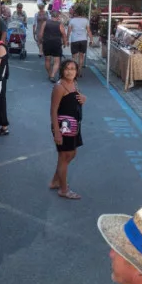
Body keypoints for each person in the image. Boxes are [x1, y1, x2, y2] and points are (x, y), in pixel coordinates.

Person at [50, 59, 85, 200]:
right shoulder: (59, 87)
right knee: (64, 156)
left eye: (73, 68)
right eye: (67, 68)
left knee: (71, 154)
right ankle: (63, 189)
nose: (70, 71)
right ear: (62, 70)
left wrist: (83, 98)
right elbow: (53, 110)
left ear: (77, 71)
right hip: (63, 127)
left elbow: (76, 99)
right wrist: (57, 131)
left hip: (74, 126)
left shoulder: (74, 84)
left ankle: (55, 181)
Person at [66, 5, 91, 77]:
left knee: (74, 57)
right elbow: (88, 31)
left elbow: (69, 31)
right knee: (81, 56)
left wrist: (67, 40)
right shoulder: (86, 20)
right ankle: (79, 70)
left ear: (76, 13)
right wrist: (91, 39)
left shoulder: (72, 20)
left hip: (74, 40)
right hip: (83, 40)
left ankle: (74, 71)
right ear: (82, 13)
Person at [41, 10, 66, 82]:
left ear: (51, 16)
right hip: (56, 43)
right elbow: (64, 34)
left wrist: (40, 41)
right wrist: (64, 42)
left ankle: (49, 74)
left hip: (47, 42)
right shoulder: (60, 24)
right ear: (58, 17)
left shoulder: (45, 23)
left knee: (47, 59)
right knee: (57, 61)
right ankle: (52, 75)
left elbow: (40, 34)